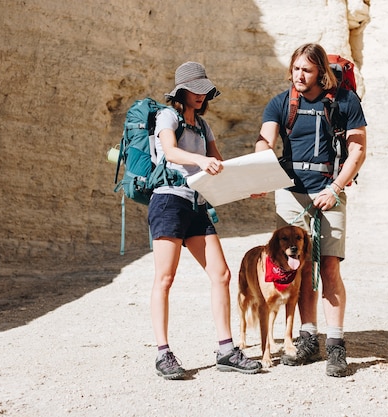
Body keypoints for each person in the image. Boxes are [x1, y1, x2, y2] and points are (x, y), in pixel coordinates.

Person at [254, 43, 367, 377]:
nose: (299, 76)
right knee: (299, 267)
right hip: (292, 194)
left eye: (307, 70)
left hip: (330, 190)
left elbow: (357, 150)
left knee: (329, 267)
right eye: (295, 69)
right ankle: (307, 337)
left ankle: (336, 346)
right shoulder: (281, 103)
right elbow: (265, 140)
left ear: (321, 72)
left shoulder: (345, 102)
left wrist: (335, 189)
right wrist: (260, 165)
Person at [149, 61, 262, 380]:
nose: (201, 95)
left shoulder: (202, 126)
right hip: (168, 201)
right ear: (181, 92)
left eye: (204, 90)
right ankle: (162, 353)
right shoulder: (167, 116)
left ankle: (226, 350)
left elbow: (220, 166)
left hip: (195, 205)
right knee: (165, 278)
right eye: (194, 90)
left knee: (221, 274)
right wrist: (200, 160)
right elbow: (170, 151)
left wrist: (248, 187)